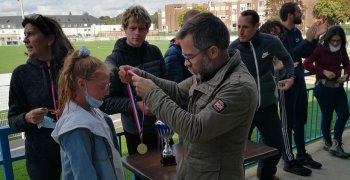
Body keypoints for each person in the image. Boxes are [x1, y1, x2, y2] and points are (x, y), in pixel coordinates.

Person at [118, 13, 258, 179]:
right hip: (193, 170)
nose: (185, 63)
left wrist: (151, 93)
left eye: (189, 57)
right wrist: (141, 74)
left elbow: (195, 129)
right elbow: (178, 91)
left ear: (212, 52)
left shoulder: (239, 87)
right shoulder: (211, 70)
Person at [228, 10, 295, 180]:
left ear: (257, 26)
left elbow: (287, 59)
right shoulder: (232, 49)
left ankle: (265, 175)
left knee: (277, 147)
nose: (240, 31)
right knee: (236, 155)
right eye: (238, 27)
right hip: (243, 112)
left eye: (245, 27)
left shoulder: (271, 42)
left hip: (267, 108)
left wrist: (291, 77)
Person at [7, 14, 73, 180]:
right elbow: (13, 120)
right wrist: (27, 118)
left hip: (75, 147)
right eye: (25, 35)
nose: (25, 40)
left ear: (49, 39)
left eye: (31, 34)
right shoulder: (20, 74)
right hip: (40, 157)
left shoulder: (71, 68)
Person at [100, 5, 166, 156]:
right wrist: (136, 106)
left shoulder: (155, 52)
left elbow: (166, 83)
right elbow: (106, 102)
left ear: (147, 30)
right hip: (136, 131)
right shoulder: (114, 60)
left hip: (162, 124)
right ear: (125, 28)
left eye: (142, 29)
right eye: (133, 28)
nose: (137, 33)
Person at [51, 47, 125, 180]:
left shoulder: (92, 112)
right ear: (82, 84)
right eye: (103, 86)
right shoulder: (75, 128)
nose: (107, 92)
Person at [279, 2, 327, 175]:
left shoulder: (297, 32)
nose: (301, 14)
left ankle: (301, 154)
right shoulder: (279, 33)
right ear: (291, 14)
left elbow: (306, 54)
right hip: (286, 84)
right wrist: (307, 40)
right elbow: (287, 56)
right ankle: (288, 159)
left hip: (298, 82)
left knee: (300, 121)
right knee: (287, 123)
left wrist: (315, 39)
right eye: (299, 12)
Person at [303, 26, 350, 158]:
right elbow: (306, 63)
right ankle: (329, 143)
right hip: (323, 89)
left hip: (337, 87)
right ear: (328, 38)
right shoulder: (319, 48)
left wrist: (346, 75)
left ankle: (336, 143)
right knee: (327, 116)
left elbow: (347, 64)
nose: (335, 43)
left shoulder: (341, 49)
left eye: (338, 40)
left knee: (344, 113)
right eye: (333, 40)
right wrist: (323, 71)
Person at [164, 9, 200, 83]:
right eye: (192, 27)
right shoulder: (173, 53)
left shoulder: (200, 48)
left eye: (199, 27)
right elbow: (176, 88)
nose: (196, 31)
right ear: (182, 27)